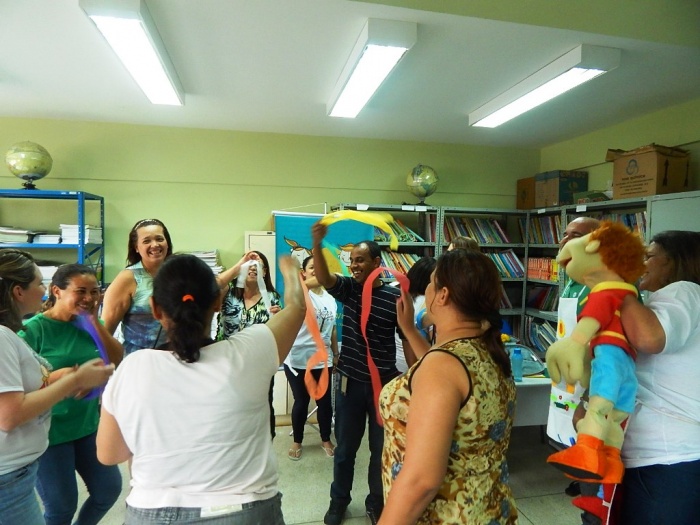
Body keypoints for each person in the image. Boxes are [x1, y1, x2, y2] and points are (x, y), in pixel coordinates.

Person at [96, 253, 306, 525]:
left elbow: (109, 454)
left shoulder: (132, 368)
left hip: (153, 511)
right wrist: (290, 268)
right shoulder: (251, 351)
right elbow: (296, 307)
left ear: (155, 308)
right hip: (246, 511)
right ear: (218, 302)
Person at [378, 248, 518, 524]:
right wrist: (409, 330)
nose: (426, 291)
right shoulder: (484, 350)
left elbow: (421, 481)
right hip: (488, 509)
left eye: (431, 283)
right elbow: (441, 375)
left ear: (442, 295)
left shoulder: (442, 366)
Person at [0, 249, 114, 525]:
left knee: (108, 489)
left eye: (94, 291)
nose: (41, 291)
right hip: (24, 459)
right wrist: (72, 380)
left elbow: (22, 382)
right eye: (39, 283)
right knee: (61, 507)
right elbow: (10, 413)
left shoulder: (86, 323)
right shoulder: (20, 332)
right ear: (18, 291)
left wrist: (94, 324)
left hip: (80, 427)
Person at [311, 222, 411, 525]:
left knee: (381, 452)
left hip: (384, 387)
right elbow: (325, 277)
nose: (353, 265)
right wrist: (317, 244)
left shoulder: (395, 299)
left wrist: (415, 379)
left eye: (360, 260)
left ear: (377, 263)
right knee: (345, 450)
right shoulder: (350, 289)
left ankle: (376, 503)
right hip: (350, 384)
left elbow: (407, 339)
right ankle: (338, 502)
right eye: (351, 260)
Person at [617, 230, 700, 525]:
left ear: (676, 262)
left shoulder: (684, 291)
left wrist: (613, 283)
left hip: (667, 457)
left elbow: (651, 339)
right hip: (673, 455)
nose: (642, 263)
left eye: (650, 256)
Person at [545, 217, 601, 522]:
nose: (564, 241)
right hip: (569, 384)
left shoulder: (602, 283)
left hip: (593, 391)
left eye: (574, 235)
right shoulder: (571, 278)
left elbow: (607, 350)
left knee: (596, 480)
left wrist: (589, 400)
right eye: (564, 234)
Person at [217, 250, 281, 439]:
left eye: (258, 265)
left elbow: (276, 334)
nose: (253, 268)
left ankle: (265, 442)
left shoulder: (272, 298)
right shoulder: (228, 292)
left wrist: (278, 319)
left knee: (262, 405)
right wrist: (238, 266)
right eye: (248, 265)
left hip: (258, 365)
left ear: (265, 272)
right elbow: (209, 286)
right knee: (229, 406)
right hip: (226, 363)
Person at [284, 255, 338, 461]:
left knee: (324, 402)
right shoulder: (300, 294)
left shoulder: (330, 298)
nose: (316, 270)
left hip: (324, 359)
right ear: (304, 273)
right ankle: (297, 441)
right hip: (298, 359)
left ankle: (326, 439)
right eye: (311, 267)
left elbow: (333, 329)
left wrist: (336, 353)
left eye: (320, 267)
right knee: (302, 400)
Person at [101, 218, 174, 354]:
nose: (155, 245)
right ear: (136, 247)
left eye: (159, 239)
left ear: (167, 243)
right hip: (137, 360)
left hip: (175, 359)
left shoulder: (178, 273)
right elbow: (105, 332)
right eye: (146, 241)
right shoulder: (127, 278)